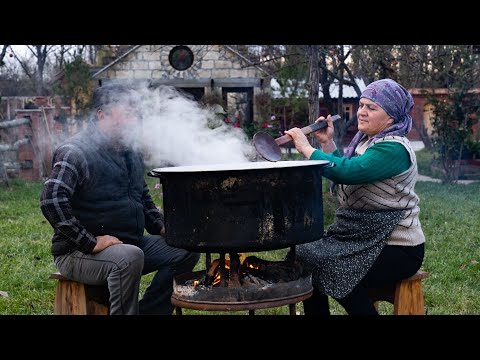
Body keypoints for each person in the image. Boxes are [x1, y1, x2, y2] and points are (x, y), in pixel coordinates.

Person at [40, 83, 200, 315]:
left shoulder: (130, 150)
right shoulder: (75, 151)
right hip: (77, 253)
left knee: (185, 248)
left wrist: (163, 227)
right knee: (129, 256)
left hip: (128, 242)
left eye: (135, 111)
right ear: (101, 115)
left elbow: (141, 195)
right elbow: (51, 200)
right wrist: (90, 243)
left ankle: (150, 312)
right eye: (126, 112)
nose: (134, 118)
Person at [284, 79, 425, 315]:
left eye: (372, 107)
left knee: (334, 267)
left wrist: (306, 148)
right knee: (305, 256)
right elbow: (347, 168)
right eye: (361, 105)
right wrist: (327, 143)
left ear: (391, 116)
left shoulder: (394, 148)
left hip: (397, 247)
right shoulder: (369, 142)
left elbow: (347, 172)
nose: (361, 112)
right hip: (363, 237)